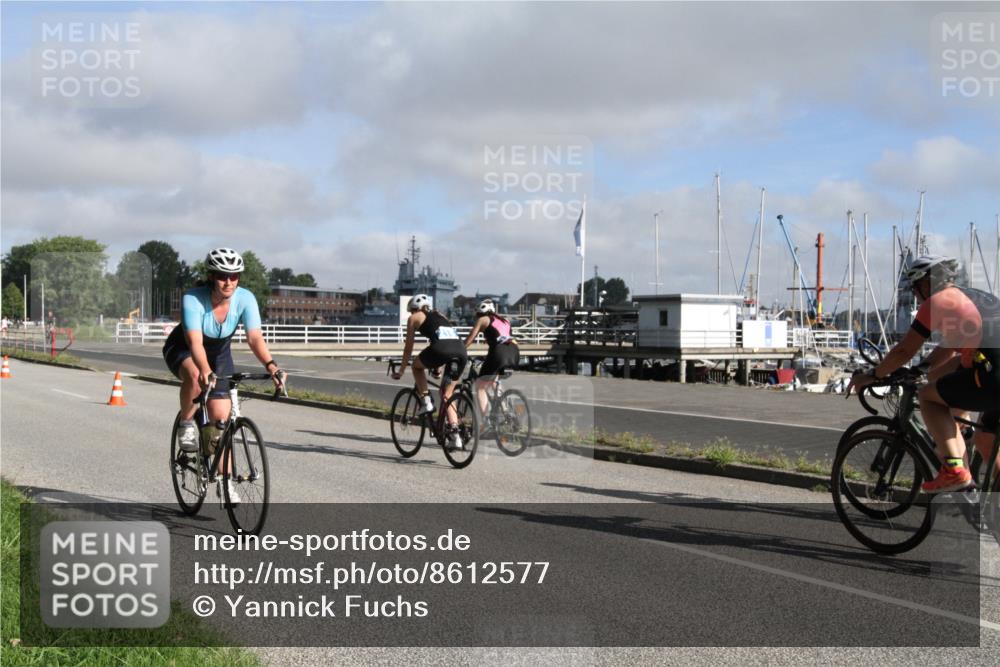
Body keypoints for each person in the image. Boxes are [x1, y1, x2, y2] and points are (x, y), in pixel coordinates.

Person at [849, 255, 1000, 493]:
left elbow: (904, 350)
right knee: (985, 439)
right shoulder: (969, 297)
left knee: (927, 396)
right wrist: (920, 369)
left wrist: (873, 375)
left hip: (993, 376)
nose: (916, 295)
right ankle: (964, 436)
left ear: (926, 282)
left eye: (915, 287)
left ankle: (954, 470)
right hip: (991, 370)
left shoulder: (938, 301)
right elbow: (949, 348)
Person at [162, 247, 285, 503]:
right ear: (210, 276)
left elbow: (254, 338)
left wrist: (272, 367)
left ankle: (225, 482)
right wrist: (205, 371)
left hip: (218, 353)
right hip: (184, 347)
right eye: (221, 275)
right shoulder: (193, 298)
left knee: (220, 421)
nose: (228, 281)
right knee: (196, 377)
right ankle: (186, 423)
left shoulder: (246, 298)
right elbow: (195, 342)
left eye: (234, 276)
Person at [391, 294, 468, 449]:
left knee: (416, 366)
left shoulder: (414, 318)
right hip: (461, 352)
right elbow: (446, 340)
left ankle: (425, 400)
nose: (411, 314)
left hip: (442, 350)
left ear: (414, 309)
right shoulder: (441, 316)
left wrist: (401, 370)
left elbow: (408, 349)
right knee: (447, 395)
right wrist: (438, 367)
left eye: (411, 310)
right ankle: (455, 435)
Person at [463, 299, 519, 424]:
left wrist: (459, 350)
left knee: (480, 387)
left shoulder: (483, 319)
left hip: (499, 353)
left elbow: (470, 339)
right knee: (494, 381)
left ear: (480, 313)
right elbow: (502, 340)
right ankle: (508, 413)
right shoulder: (505, 320)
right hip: (514, 352)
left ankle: (486, 422)